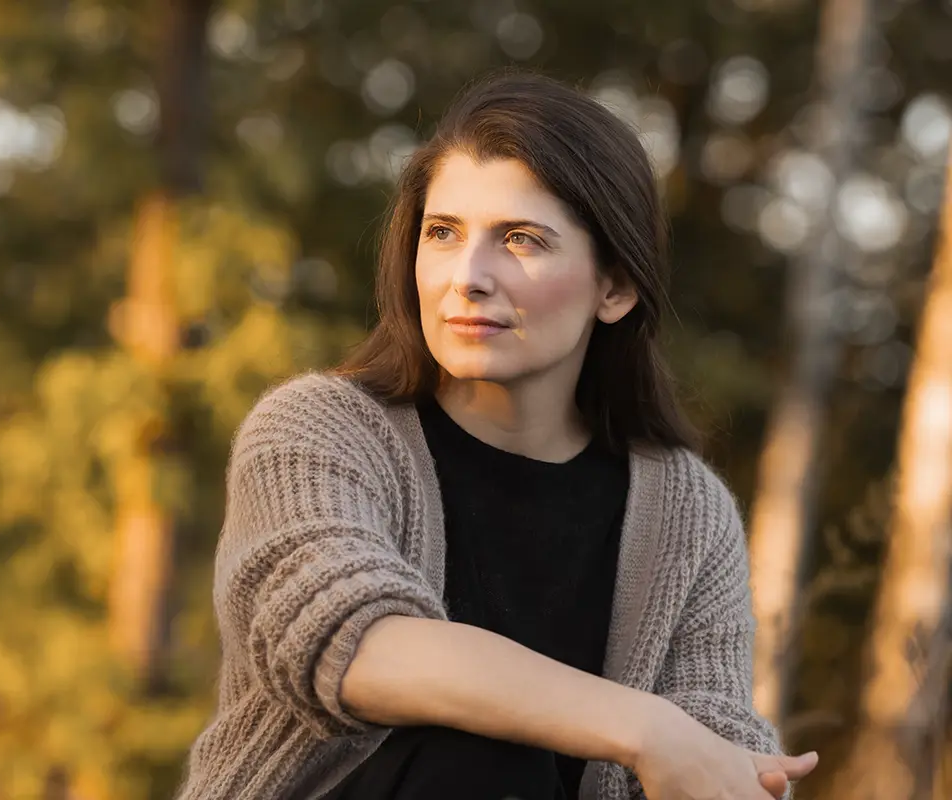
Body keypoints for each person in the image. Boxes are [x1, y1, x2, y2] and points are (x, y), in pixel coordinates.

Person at [176, 68, 819, 800]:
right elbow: (352, 646)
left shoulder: (686, 513)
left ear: (615, 288)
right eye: (443, 234)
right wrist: (646, 729)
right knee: (479, 757)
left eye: (520, 239)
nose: (468, 277)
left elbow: (715, 753)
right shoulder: (318, 432)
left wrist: (716, 764)